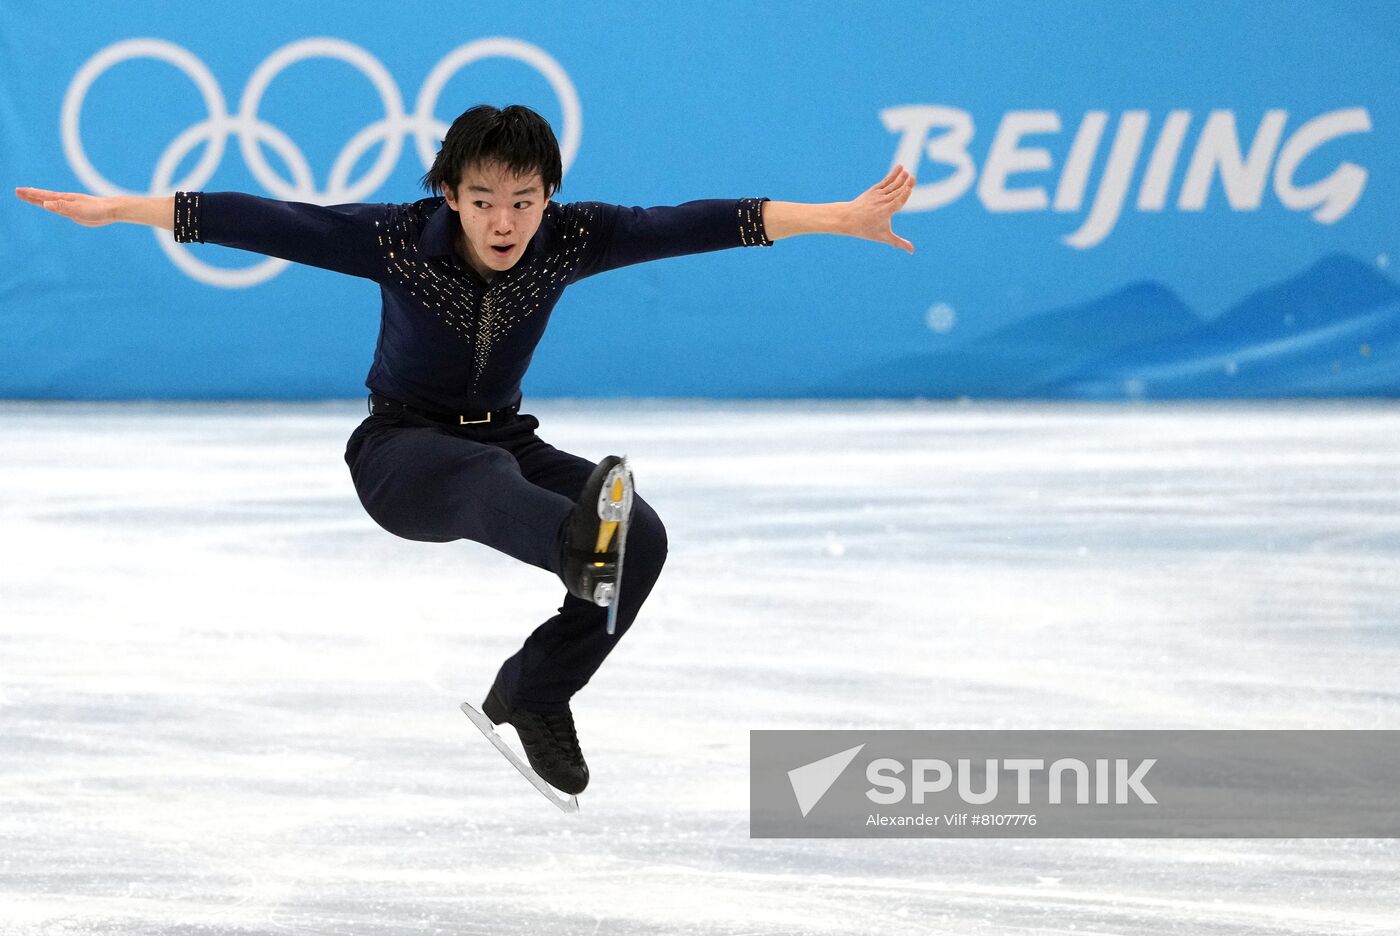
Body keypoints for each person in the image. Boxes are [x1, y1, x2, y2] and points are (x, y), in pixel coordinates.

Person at [15, 103, 916, 796]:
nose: (504, 220)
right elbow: (266, 219)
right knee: (494, 480)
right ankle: (575, 543)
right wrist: (121, 210)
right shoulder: (398, 240)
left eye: (523, 201)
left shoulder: (573, 238)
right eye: (484, 201)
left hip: (506, 439)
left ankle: (536, 690)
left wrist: (837, 217)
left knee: (642, 537)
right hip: (401, 452)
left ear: (548, 196)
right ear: (451, 194)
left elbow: (697, 222)